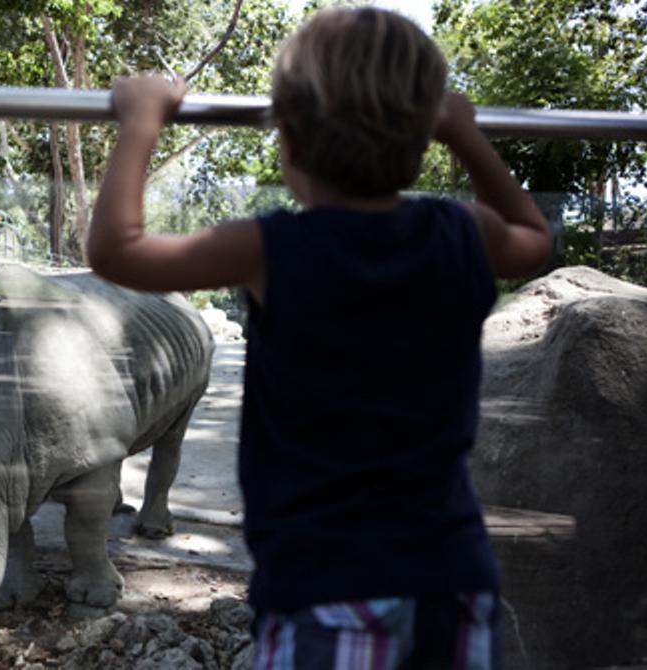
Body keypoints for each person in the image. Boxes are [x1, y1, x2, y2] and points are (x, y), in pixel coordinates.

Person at [86, 6, 551, 669]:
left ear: (290, 140)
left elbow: (114, 251)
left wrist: (141, 120)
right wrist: (465, 134)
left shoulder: (269, 249)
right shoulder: (462, 233)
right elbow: (534, 239)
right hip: (453, 573)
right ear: (423, 136)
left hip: (328, 583)